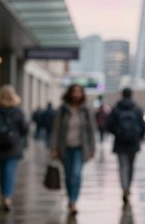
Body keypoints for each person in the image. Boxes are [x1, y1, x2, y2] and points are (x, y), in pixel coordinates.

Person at [50, 84, 96, 215]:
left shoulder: (86, 110)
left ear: (82, 94)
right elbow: (56, 129)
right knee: (68, 175)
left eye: (79, 92)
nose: (76, 94)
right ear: (69, 93)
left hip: (80, 147)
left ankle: (73, 200)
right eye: (74, 92)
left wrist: (93, 148)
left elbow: (92, 130)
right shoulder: (63, 109)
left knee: (76, 174)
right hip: (64, 147)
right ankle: (70, 198)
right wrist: (53, 147)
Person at [107, 88, 145, 205]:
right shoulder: (137, 109)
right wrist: (139, 137)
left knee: (122, 166)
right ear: (131, 95)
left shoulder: (116, 109)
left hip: (120, 142)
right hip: (133, 142)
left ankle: (124, 187)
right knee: (130, 166)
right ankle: (128, 186)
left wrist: (117, 133)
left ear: (121, 95)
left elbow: (109, 125)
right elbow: (143, 126)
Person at [0, 84, 28, 212]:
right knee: (8, 172)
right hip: (12, 146)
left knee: (4, 172)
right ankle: (7, 196)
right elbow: (24, 129)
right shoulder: (18, 111)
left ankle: (6, 195)